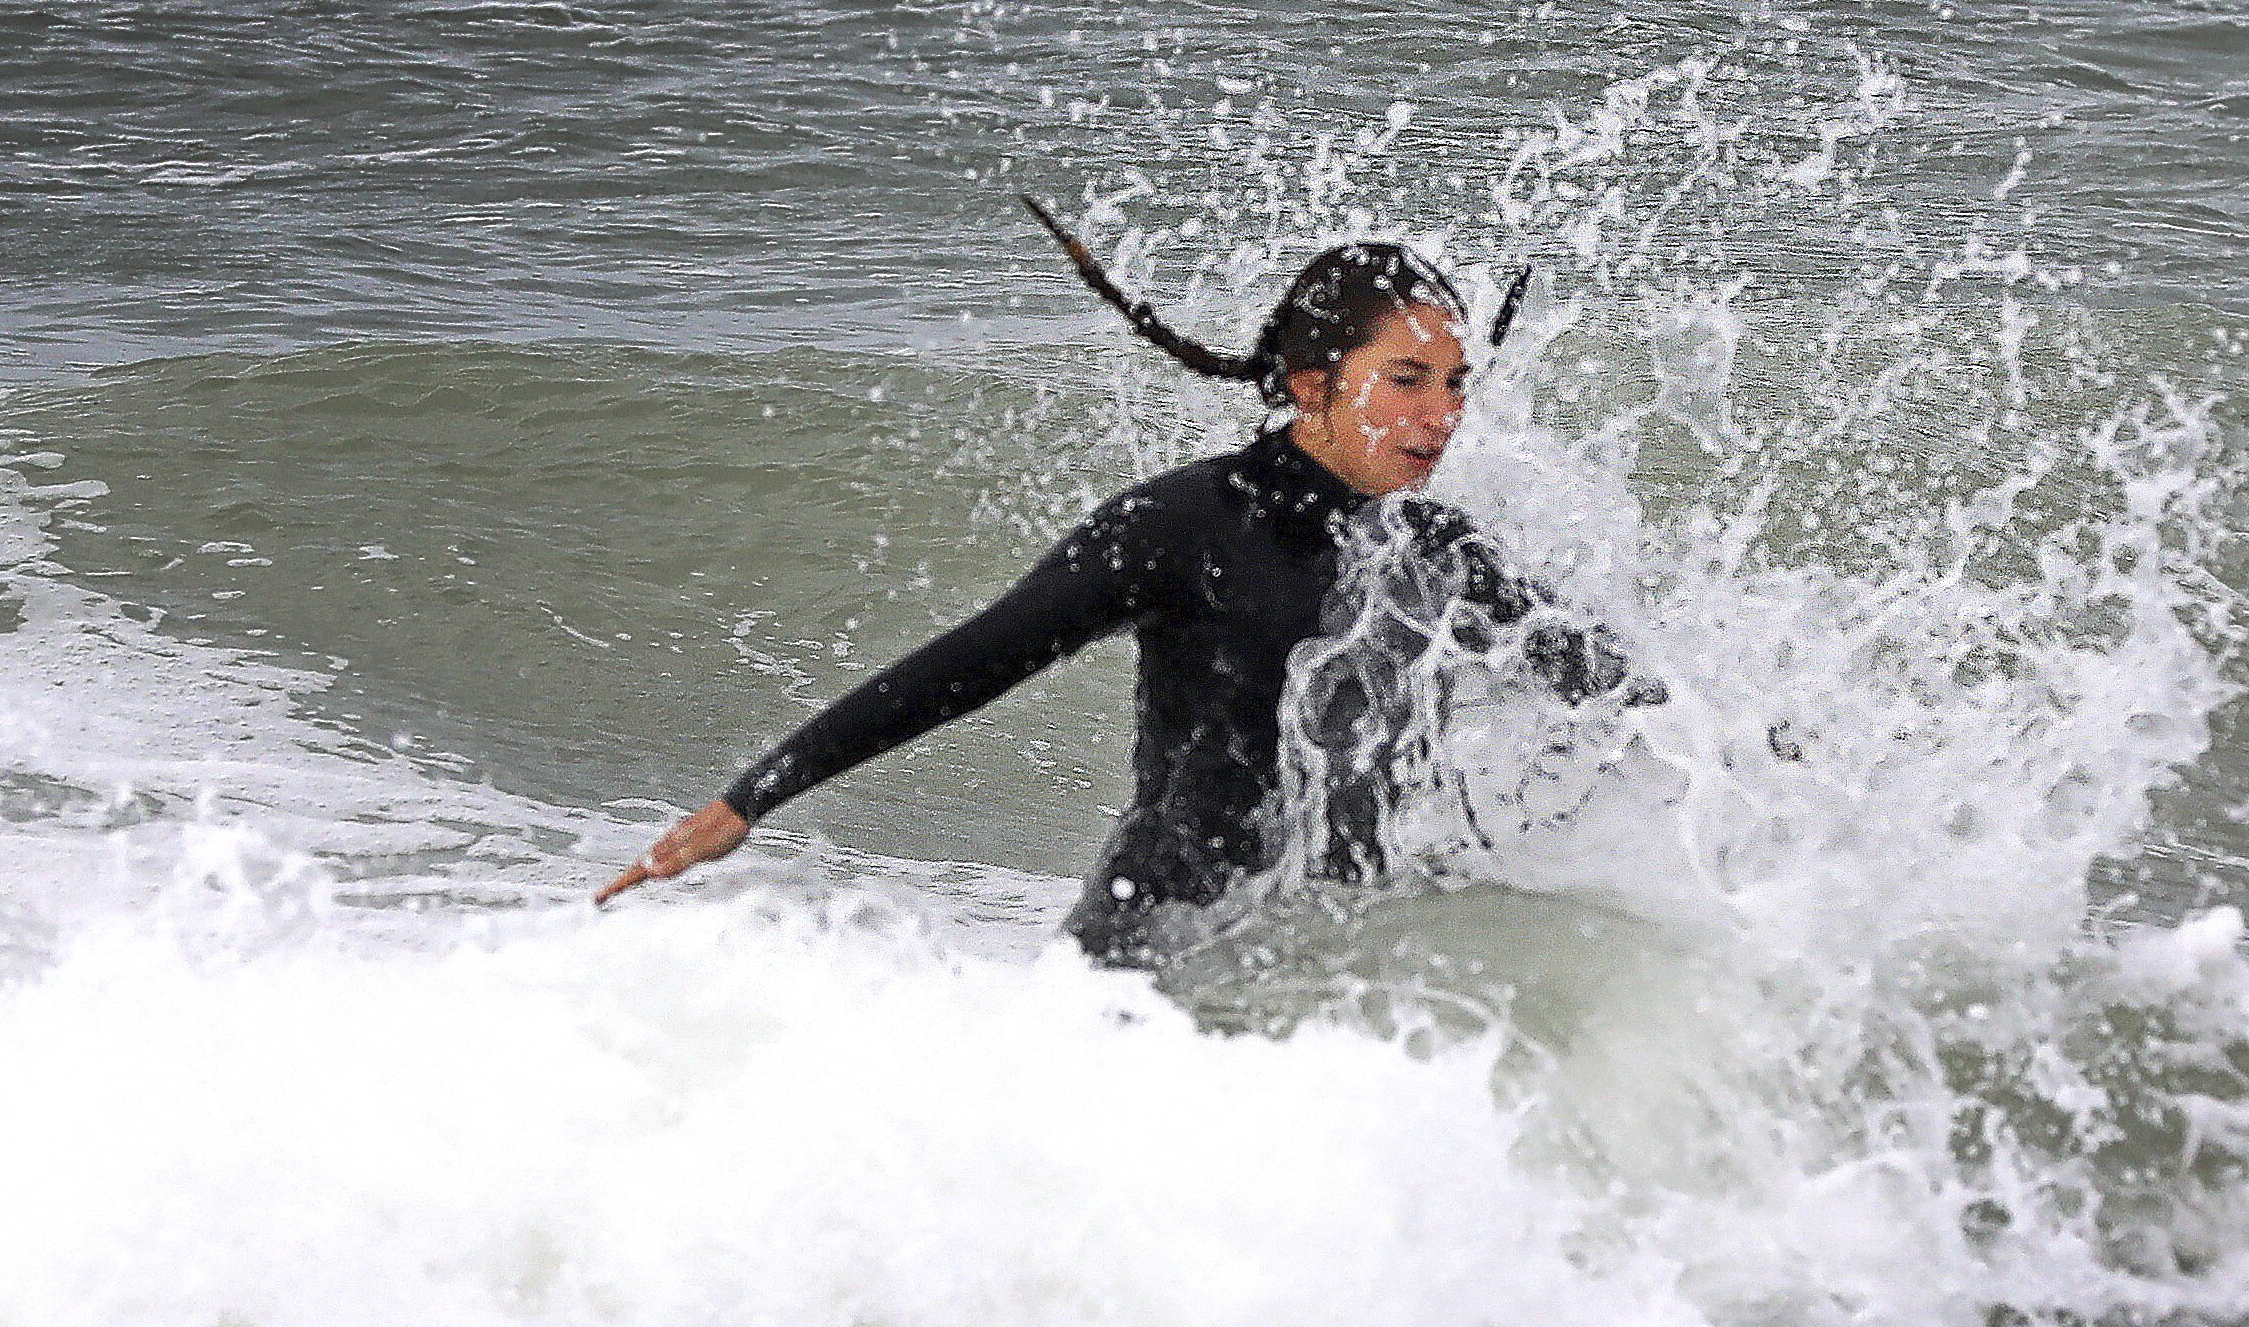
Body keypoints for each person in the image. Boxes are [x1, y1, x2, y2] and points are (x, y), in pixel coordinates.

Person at [595, 203, 1651, 965]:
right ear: (1310, 385)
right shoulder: (1183, 527)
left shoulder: (1434, 553)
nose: (1440, 416)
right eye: (1406, 382)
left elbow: (1602, 682)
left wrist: (1772, 756)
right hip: (1146, 962)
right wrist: (752, 797)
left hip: (1323, 975)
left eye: (1455, 384)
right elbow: (973, 661)